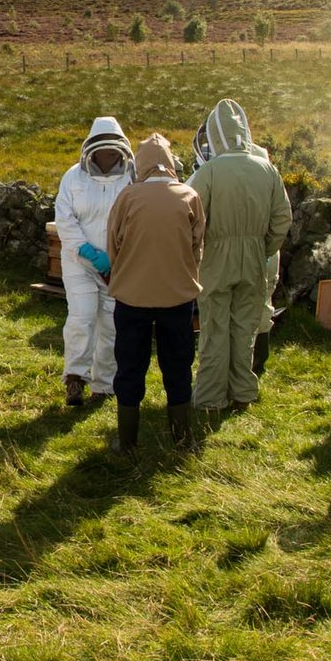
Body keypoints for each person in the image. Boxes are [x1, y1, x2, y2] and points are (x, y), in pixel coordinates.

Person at [189, 99, 292, 414]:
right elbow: (282, 219)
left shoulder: (208, 171)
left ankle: (210, 397)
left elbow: (189, 217)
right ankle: (243, 392)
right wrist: (264, 249)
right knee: (244, 328)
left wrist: (199, 253)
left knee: (215, 328)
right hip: (253, 257)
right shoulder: (266, 168)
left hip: (215, 258)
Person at [105, 134, 205, 451]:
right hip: (177, 298)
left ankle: (127, 442)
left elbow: (113, 246)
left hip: (132, 298)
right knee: (178, 365)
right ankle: (182, 438)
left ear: (141, 163)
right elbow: (197, 248)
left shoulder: (127, 197)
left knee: (130, 366)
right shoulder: (189, 195)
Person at [54, 117, 133, 406]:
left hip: (118, 264)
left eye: (113, 153)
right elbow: (64, 220)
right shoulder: (73, 177)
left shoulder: (130, 178)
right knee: (82, 317)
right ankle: (75, 378)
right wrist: (88, 253)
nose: (108, 158)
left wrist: (116, 258)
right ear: (91, 150)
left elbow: (135, 220)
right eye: (103, 153)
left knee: (112, 324)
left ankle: (105, 384)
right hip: (79, 263)